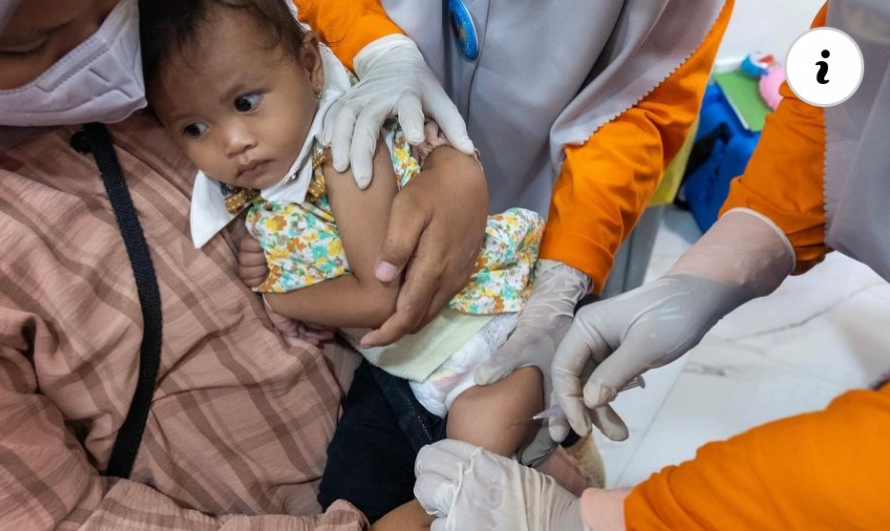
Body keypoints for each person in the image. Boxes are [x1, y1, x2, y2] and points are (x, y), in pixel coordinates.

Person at [0, 0, 520, 528]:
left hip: (406, 384)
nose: (100, 52)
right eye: (27, 45)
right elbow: (61, 517)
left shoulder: (206, 49)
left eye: (110, 6)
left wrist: (446, 161)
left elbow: (299, 42)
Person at [414, 2, 890, 529]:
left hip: (549, 208)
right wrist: (740, 249)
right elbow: (843, 85)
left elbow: (643, 99)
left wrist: (615, 518)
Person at [139, 1, 547, 526]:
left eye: (245, 101)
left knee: (477, 438)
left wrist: (278, 293)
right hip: (403, 368)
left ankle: (452, 507)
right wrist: (279, 261)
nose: (233, 142)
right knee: (348, 486)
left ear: (310, 66)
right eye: (194, 128)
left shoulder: (343, 146)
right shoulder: (265, 189)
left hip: (479, 333)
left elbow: (380, 296)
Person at [300, 0, 735, 459]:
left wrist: (569, 263)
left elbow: (646, 94)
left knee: (520, 442)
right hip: (365, 111)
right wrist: (374, 44)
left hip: (538, 217)